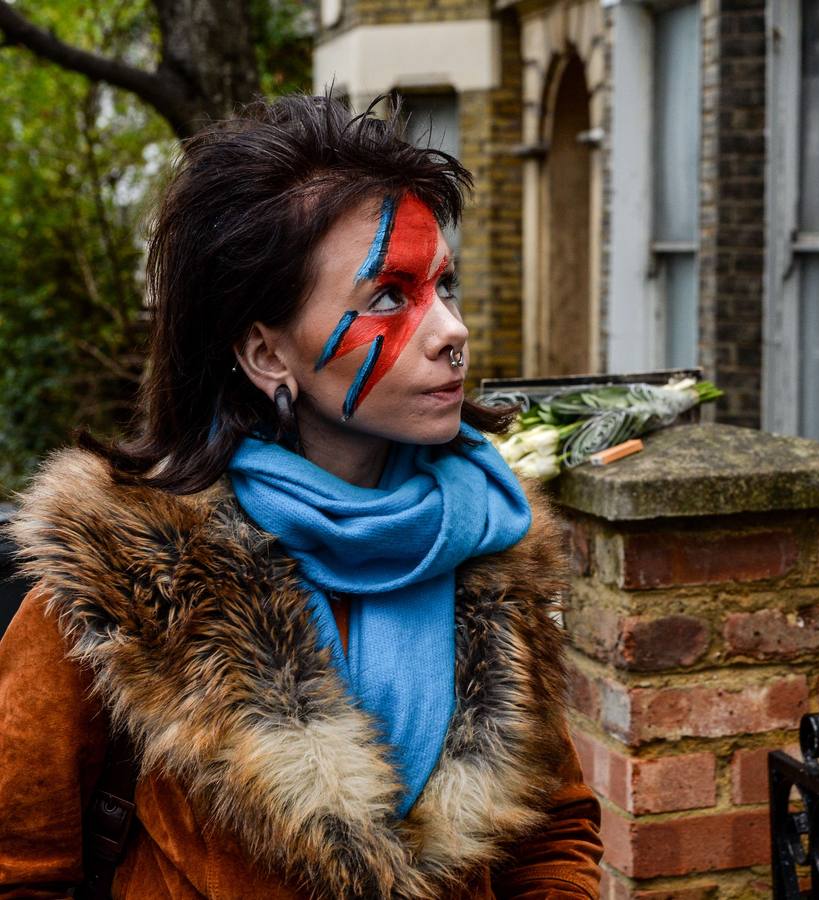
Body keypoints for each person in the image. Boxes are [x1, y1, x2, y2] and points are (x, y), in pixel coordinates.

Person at [0, 95, 603, 899]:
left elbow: (554, 832)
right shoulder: (117, 582)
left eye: (444, 286)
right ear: (266, 354)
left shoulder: (490, 548)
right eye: (388, 296)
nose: (450, 329)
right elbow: (22, 872)